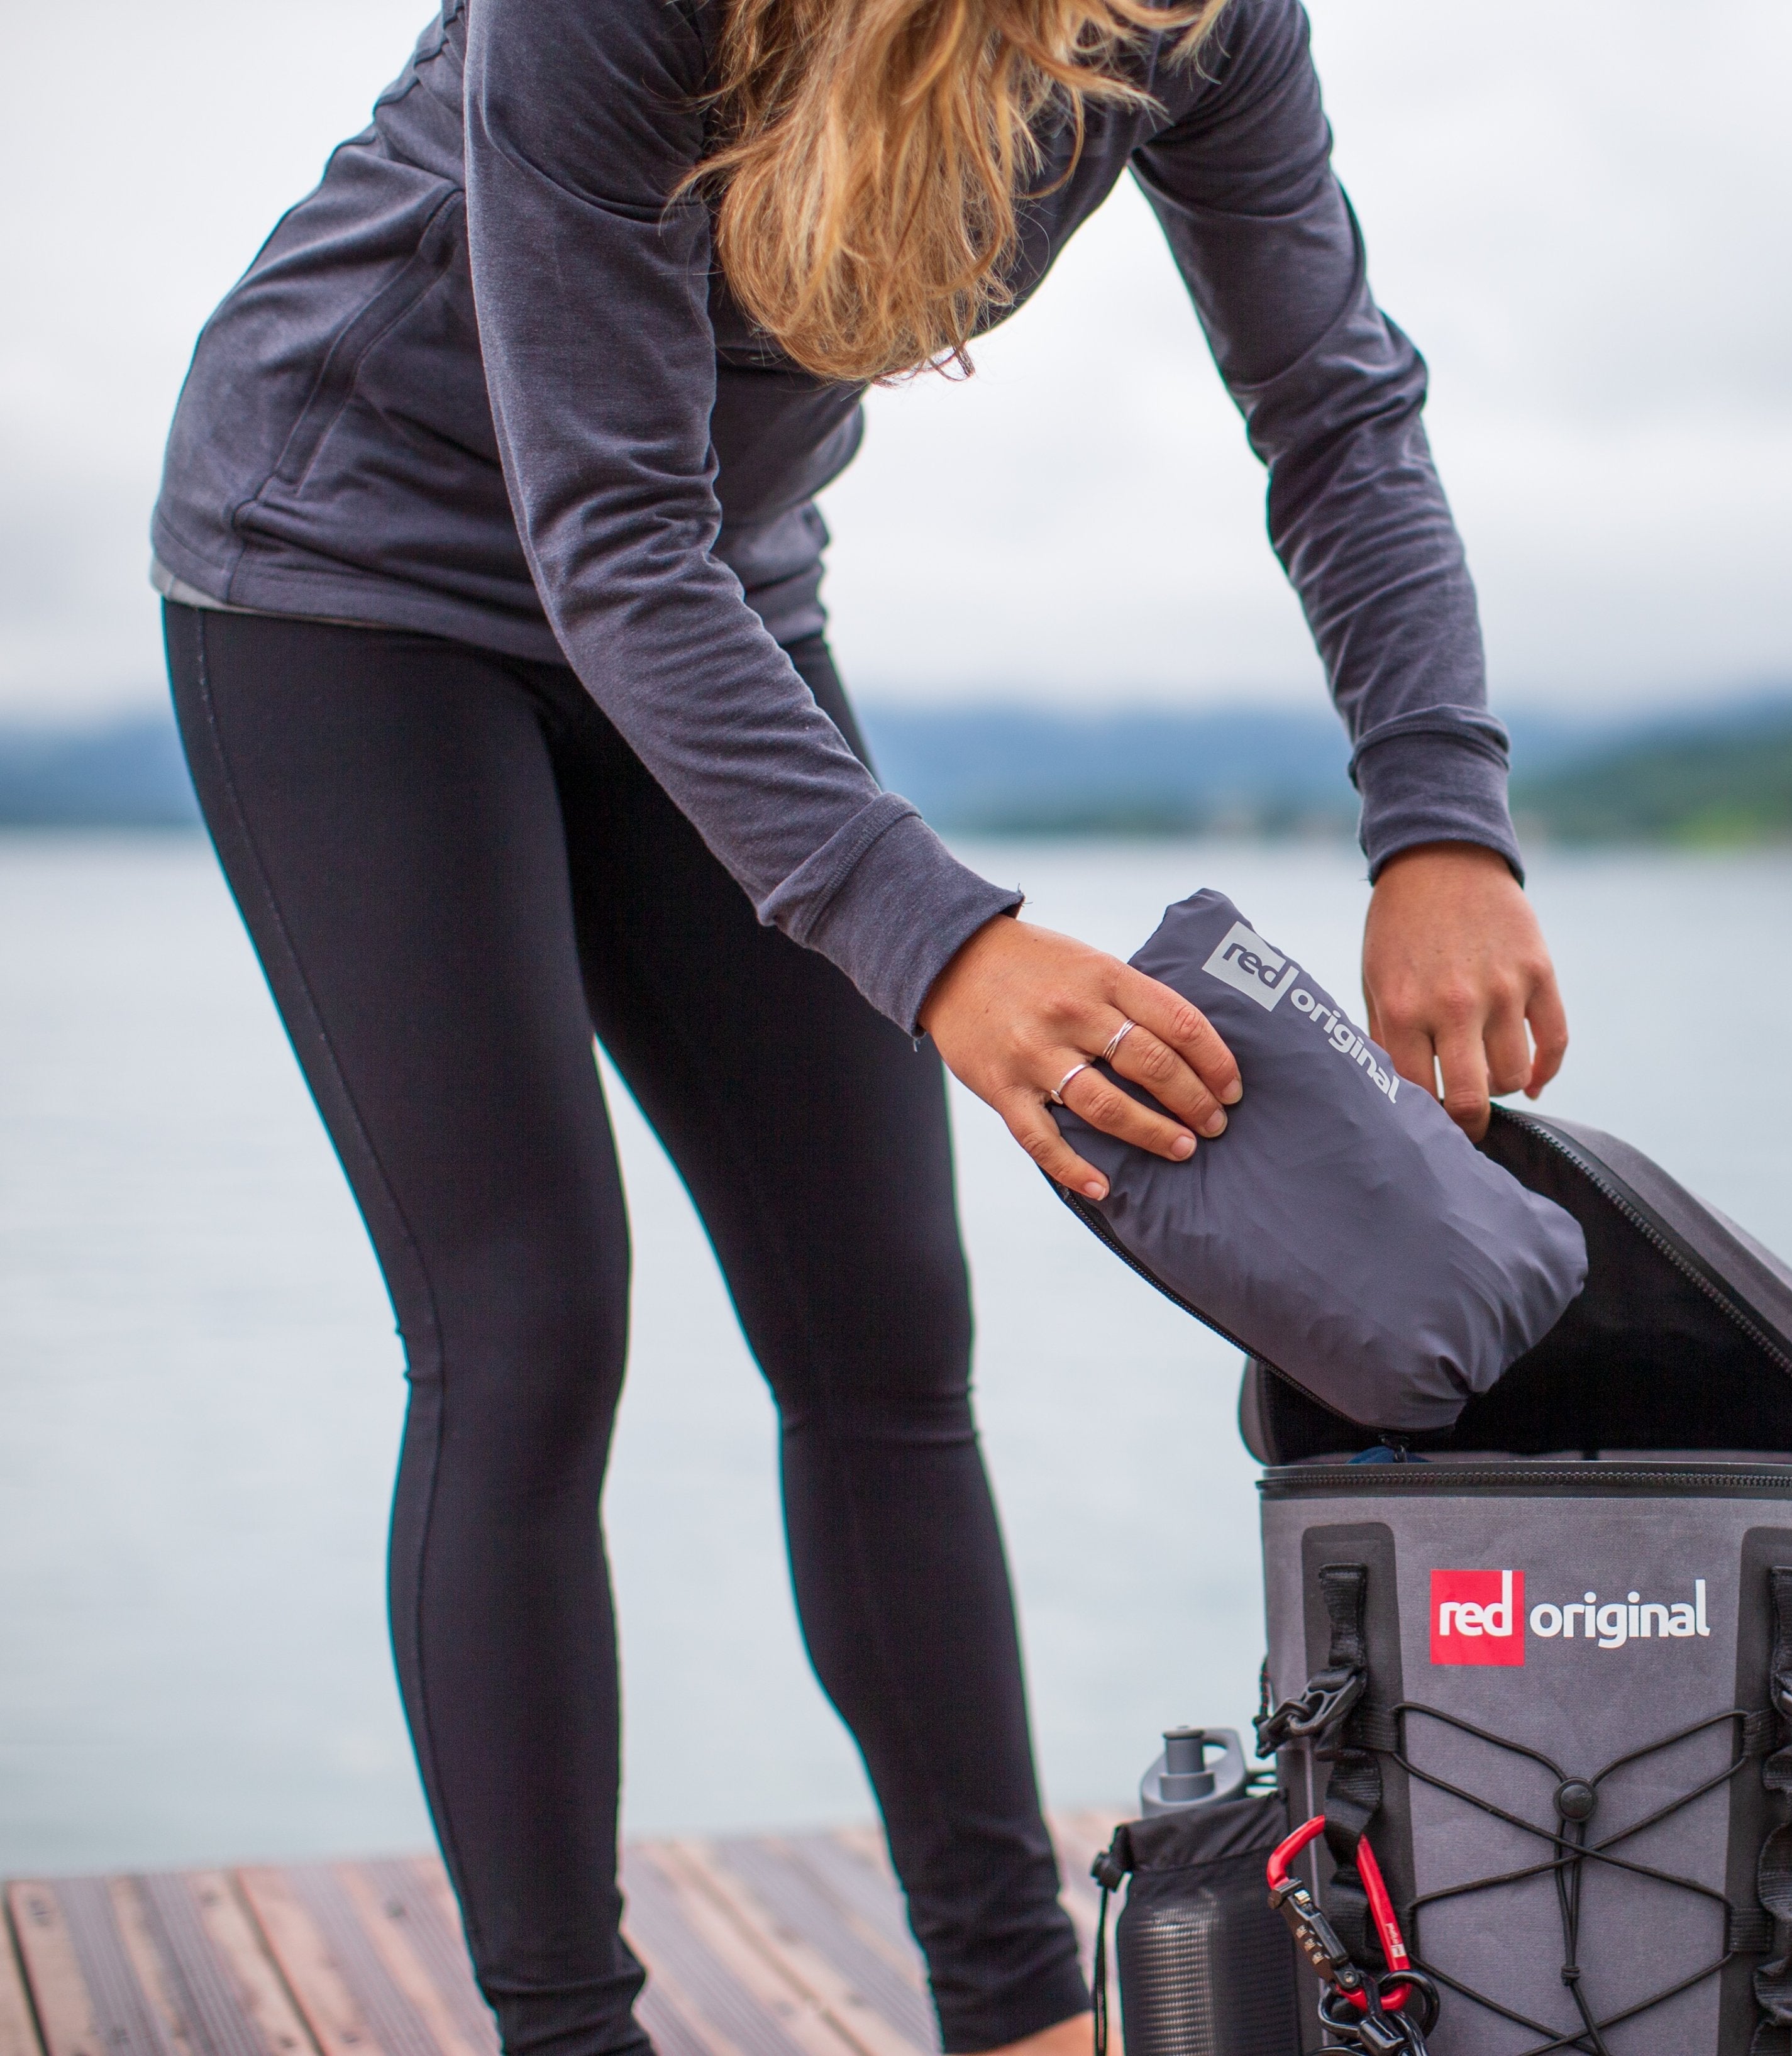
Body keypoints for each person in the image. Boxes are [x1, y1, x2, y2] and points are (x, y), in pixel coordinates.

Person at [151, 1, 1566, 2053]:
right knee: (532, 1325)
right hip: (347, 581)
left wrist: (1442, 818)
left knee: (889, 1334)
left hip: (710, 603)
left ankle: (1013, 2013)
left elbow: (1336, 407)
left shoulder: (1195, 20)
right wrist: (947, 948)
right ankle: (569, 2035)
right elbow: (604, 531)